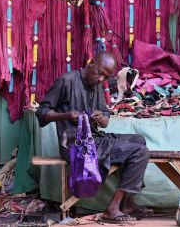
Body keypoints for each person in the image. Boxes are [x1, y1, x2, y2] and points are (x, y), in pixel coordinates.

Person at [36, 51, 150, 223]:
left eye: (106, 77)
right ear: (90, 63)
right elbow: (42, 113)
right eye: (100, 74)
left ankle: (127, 203)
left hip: (95, 139)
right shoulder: (66, 81)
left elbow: (105, 121)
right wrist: (66, 115)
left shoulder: (95, 85)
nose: (101, 80)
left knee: (138, 140)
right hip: (76, 146)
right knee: (141, 152)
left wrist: (100, 116)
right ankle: (112, 209)